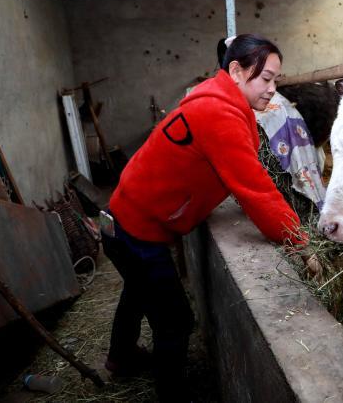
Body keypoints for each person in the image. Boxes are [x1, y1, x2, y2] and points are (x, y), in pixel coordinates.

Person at [101, 33, 321, 402]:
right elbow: (256, 190)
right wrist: (299, 241)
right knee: (175, 320)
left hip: (118, 219)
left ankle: (120, 359)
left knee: (137, 290)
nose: (272, 89)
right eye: (265, 79)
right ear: (236, 71)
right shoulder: (219, 113)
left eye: (276, 81)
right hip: (136, 230)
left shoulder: (217, 101)